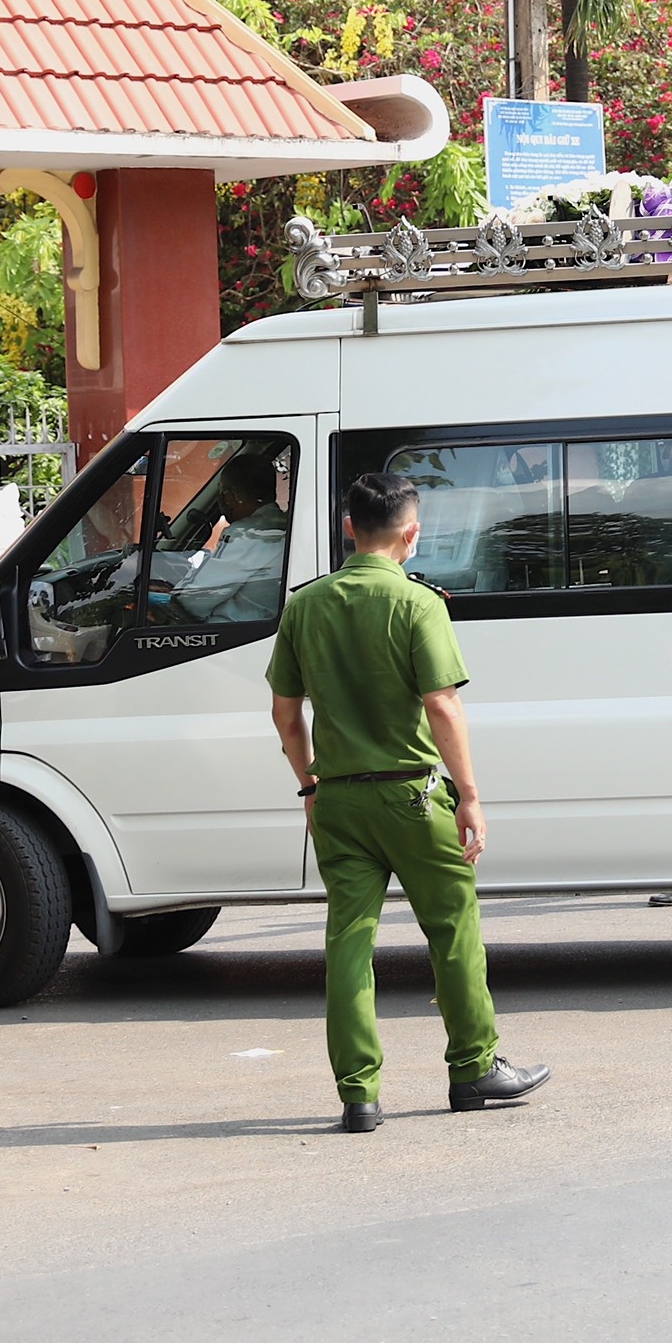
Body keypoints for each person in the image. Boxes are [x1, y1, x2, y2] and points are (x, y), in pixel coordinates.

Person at [266, 472, 549, 1135]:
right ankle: (473, 1068)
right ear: (412, 532)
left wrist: (310, 786)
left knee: (349, 942)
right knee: (452, 931)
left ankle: (358, 1094)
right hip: (414, 797)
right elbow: (442, 704)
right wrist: (470, 797)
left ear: (348, 529)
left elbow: (284, 713)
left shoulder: (305, 606)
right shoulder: (418, 603)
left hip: (339, 801)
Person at [173, 452, 292, 622]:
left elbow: (194, 600)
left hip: (236, 633)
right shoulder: (285, 525)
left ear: (230, 497)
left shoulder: (246, 534)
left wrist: (172, 595)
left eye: (222, 493)